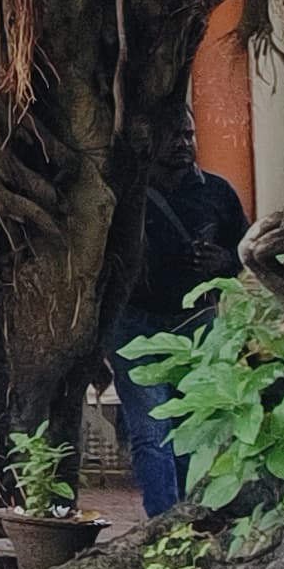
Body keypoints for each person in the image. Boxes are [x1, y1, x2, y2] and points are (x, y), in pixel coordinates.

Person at [108, 126, 248, 515]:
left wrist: (224, 261)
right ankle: (161, 521)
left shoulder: (217, 192)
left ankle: (187, 516)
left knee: (193, 426)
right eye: (172, 135)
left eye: (188, 134)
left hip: (197, 322)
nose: (183, 143)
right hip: (133, 323)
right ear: (148, 138)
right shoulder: (127, 194)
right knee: (151, 431)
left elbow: (246, 248)